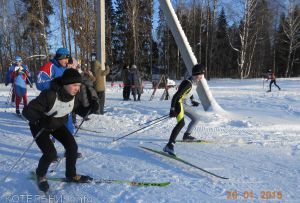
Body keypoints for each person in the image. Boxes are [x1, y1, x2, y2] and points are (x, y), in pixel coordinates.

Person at [22, 68, 99, 192]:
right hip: (40, 126)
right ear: (65, 84)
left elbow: (78, 110)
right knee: (50, 154)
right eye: (74, 85)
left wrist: (91, 108)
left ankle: (71, 174)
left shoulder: (74, 96)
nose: (77, 88)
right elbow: (27, 111)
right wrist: (41, 119)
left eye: (79, 85)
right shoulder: (50, 95)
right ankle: (40, 175)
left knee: (72, 147)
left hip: (57, 124)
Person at [163, 64, 205, 156]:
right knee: (181, 123)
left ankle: (186, 136)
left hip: (184, 103)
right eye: (201, 74)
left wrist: (192, 100)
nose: (202, 76)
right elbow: (176, 96)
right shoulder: (188, 83)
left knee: (196, 118)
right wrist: (172, 109)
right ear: (197, 74)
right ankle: (169, 145)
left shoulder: (194, 82)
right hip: (178, 103)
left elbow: (190, 92)